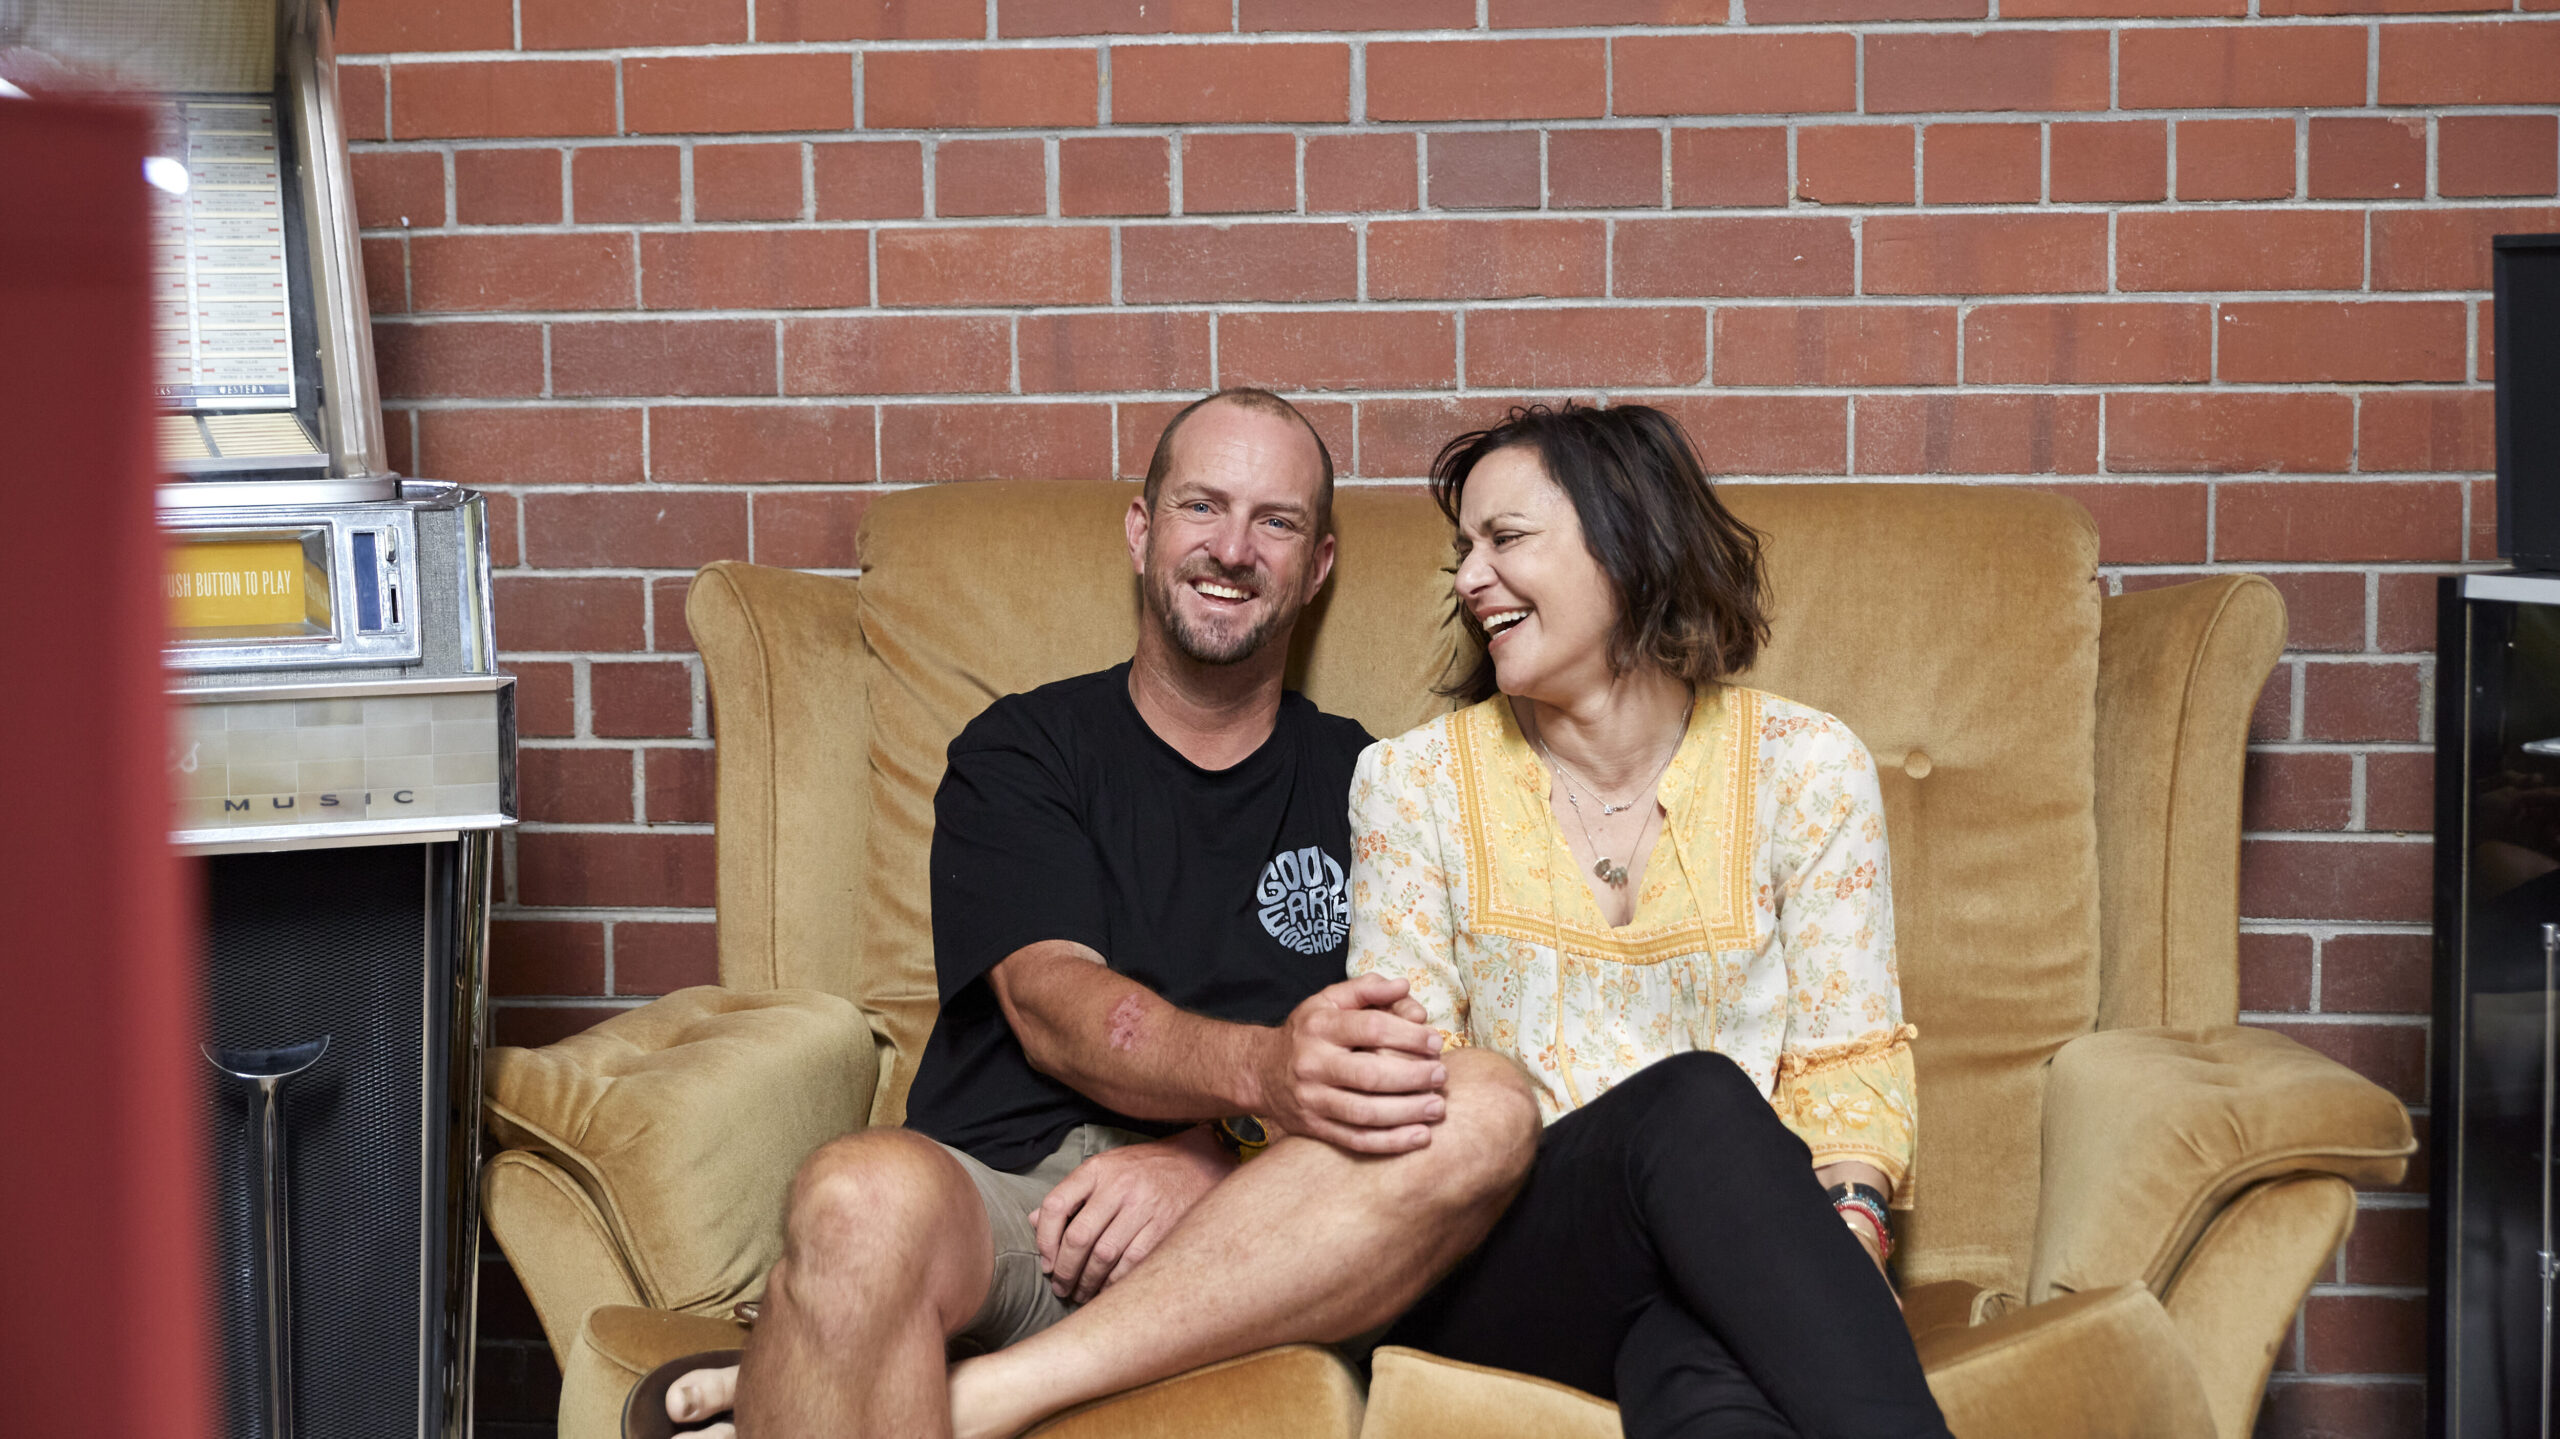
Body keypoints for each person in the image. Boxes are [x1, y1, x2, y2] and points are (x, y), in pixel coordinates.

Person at [649, 387, 1545, 1439]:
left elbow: (1411, 1060)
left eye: (1277, 521)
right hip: (1013, 1202)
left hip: (1261, 1228)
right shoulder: (1024, 751)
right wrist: (1262, 1076)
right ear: (1142, 529)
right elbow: (1053, 1003)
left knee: (1484, 1101)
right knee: (855, 1193)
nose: (1233, 547)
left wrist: (1224, 1151)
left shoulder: (1377, 783)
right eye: (1201, 506)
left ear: (1319, 563)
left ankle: (923, 1392)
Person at [1346, 401, 1949, 1437]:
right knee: (1697, 1102)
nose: (1469, 579)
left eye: (1506, 539)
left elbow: (1844, 1061)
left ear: (1625, 542)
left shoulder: (1804, 766)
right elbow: (1421, 1087)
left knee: (1697, 1367)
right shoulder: (1411, 783)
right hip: (1500, 1265)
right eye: (1463, 550)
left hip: (1724, 1250)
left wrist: (1833, 1251)